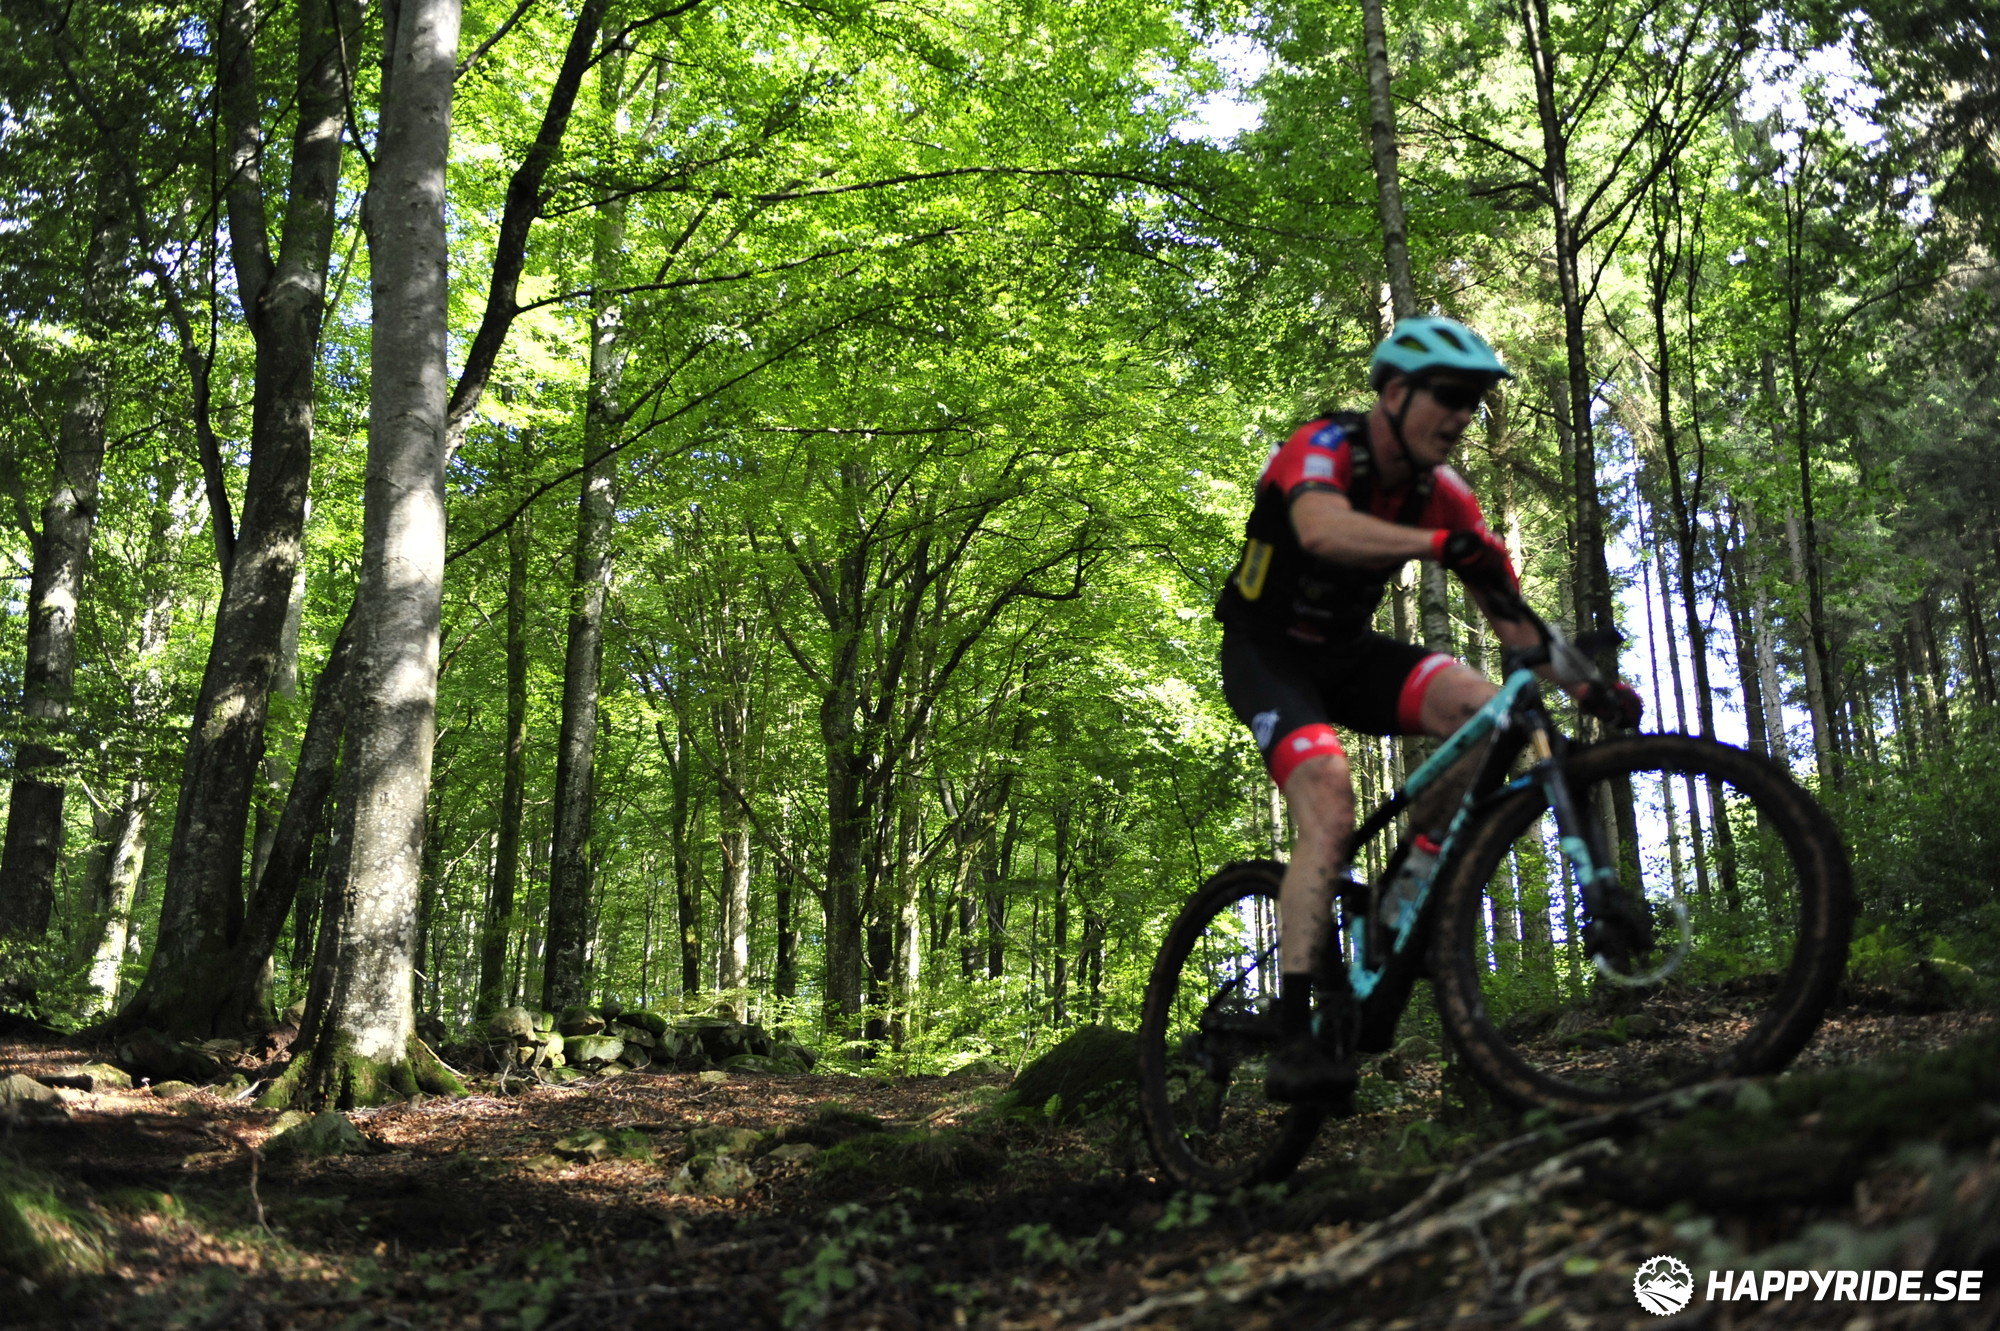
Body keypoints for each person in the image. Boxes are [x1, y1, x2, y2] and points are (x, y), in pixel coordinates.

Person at [1214, 316, 1641, 1103]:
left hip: (1347, 655)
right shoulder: (1323, 447)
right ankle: (1297, 1029)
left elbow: (1514, 620)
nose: (1461, 415)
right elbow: (1321, 528)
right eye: (1448, 395)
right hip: (1266, 653)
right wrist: (1436, 545)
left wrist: (1590, 689)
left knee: (1488, 708)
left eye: (1473, 402)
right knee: (1329, 798)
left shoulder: (1444, 496)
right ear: (1395, 394)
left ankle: (1400, 892)